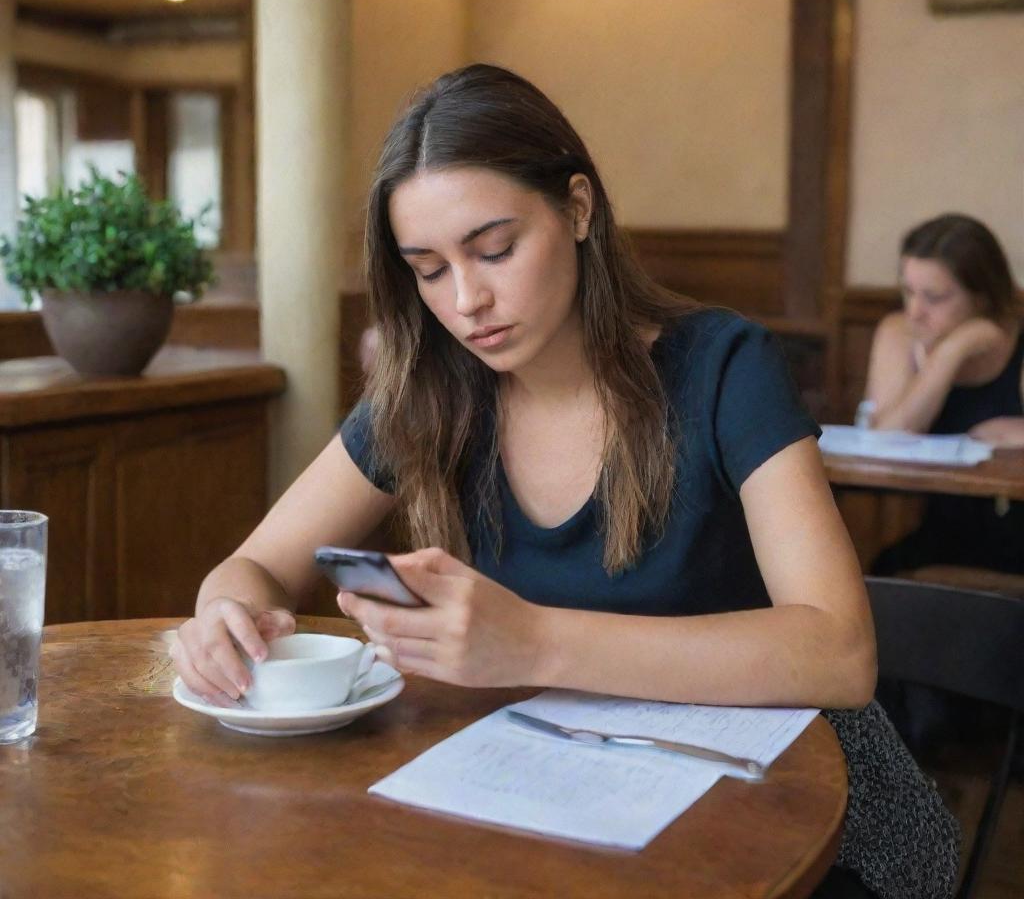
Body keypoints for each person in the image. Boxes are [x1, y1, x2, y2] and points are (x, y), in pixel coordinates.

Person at [171, 65, 957, 899]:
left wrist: (532, 640)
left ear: (577, 209)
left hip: (804, 823)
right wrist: (224, 614)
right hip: (569, 814)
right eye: (429, 270)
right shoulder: (428, 394)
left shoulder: (726, 368)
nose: (468, 299)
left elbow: (841, 654)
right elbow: (253, 567)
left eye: (496, 249)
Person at [866, 213, 1024, 576]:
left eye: (934, 297)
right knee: (881, 576)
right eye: (908, 291)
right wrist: (951, 353)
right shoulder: (899, 333)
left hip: (1016, 538)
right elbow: (886, 437)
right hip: (940, 538)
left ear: (982, 297)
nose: (914, 311)